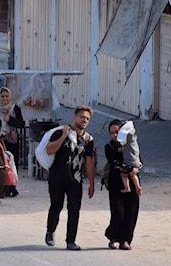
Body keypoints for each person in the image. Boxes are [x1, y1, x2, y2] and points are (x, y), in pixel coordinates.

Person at [44, 106, 97, 251]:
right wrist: (62, 136)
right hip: (57, 177)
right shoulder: (62, 131)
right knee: (57, 206)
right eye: (82, 117)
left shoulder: (88, 139)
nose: (84, 120)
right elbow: (49, 150)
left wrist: (91, 183)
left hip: (76, 180)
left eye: (87, 118)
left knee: (74, 209)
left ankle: (71, 240)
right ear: (75, 117)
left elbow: (89, 162)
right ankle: (50, 231)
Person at [104, 120, 140, 250]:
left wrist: (137, 168)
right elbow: (114, 163)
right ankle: (112, 236)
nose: (114, 135)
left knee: (131, 213)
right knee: (118, 213)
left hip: (133, 181)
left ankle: (125, 240)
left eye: (117, 132)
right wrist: (130, 169)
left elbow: (138, 159)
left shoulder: (130, 144)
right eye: (111, 132)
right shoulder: (109, 146)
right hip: (116, 183)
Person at [0, 87, 24, 197]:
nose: (5, 99)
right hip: (0, 139)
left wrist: (10, 120)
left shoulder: (15, 108)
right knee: (1, 163)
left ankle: (12, 187)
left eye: (7, 96)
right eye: (2, 96)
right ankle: (1, 187)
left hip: (12, 139)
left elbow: (21, 123)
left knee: (12, 163)